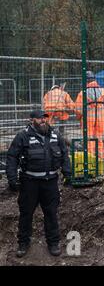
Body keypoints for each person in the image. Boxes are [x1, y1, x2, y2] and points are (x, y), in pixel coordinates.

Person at [6, 110, 71, 258]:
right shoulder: (23, 136)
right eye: (40, 118)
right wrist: (12, 178)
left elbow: (64, 155)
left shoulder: (55, 136)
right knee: (26, 214)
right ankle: (23, 243)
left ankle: (53, 243)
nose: (43, 120)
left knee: (51, 214)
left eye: (45, 118)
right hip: (30, 183)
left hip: (50, 183)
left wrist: (68, 174)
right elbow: (12, 157)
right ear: (31, 120)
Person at [75, 71, 104, 158]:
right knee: (99, 139)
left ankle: (91, 160)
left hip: (88, 121)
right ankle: (100, 159)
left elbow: (78, 110)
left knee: (89, 139)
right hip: (100, 120)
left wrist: (79, 118)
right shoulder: (103, 91)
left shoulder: (82, 93)